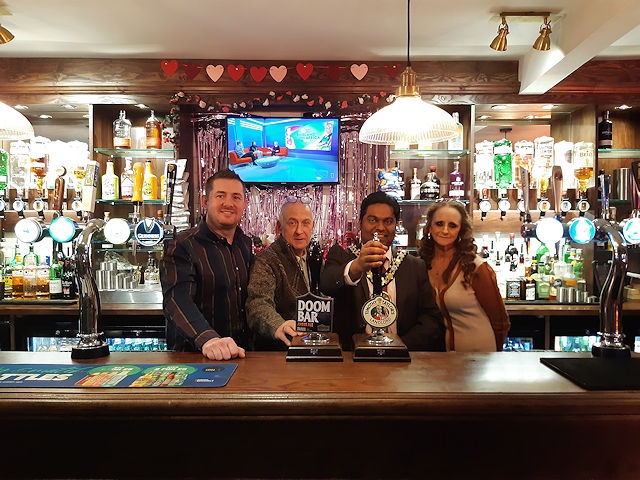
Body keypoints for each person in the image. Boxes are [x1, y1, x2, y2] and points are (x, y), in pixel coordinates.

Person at [319, 191, 445, 351]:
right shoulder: (341, 256)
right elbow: (327, 283)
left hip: (403, 362)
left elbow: (431, 320)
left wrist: (399, 347)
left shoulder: (414, 266)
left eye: (388, 221)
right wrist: (357, 266)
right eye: (372, 220)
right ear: (360, 223)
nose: (380, 227)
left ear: (396, 225)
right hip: (353, 362)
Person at [160, 168, 254, 360]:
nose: (228, 203)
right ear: (205, 201)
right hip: (195, 358)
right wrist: (208, 339)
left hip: (240, 355)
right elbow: (177, 300)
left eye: (236, 197)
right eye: (220, 196)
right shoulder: (182, 245)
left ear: (244, 204)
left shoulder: (245, 243)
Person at [418, 199, 510, 352]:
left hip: (479, 357)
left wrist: (496, 357)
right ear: (429, 227)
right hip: (441, 360)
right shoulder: (422, 265)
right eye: (439, 224)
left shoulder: (476, 267)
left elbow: (500, 322)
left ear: (461, 230)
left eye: (452, 225)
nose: (445, 231)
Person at [246, 196, 315, 349]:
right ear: (279, 227)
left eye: (305, 223)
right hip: (279, 352)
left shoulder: (315, 258)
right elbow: (258, 304)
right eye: (292, 223)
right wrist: (279, 325)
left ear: (312, 226)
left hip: (312, 347)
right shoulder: (267, 260)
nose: (299, 231)